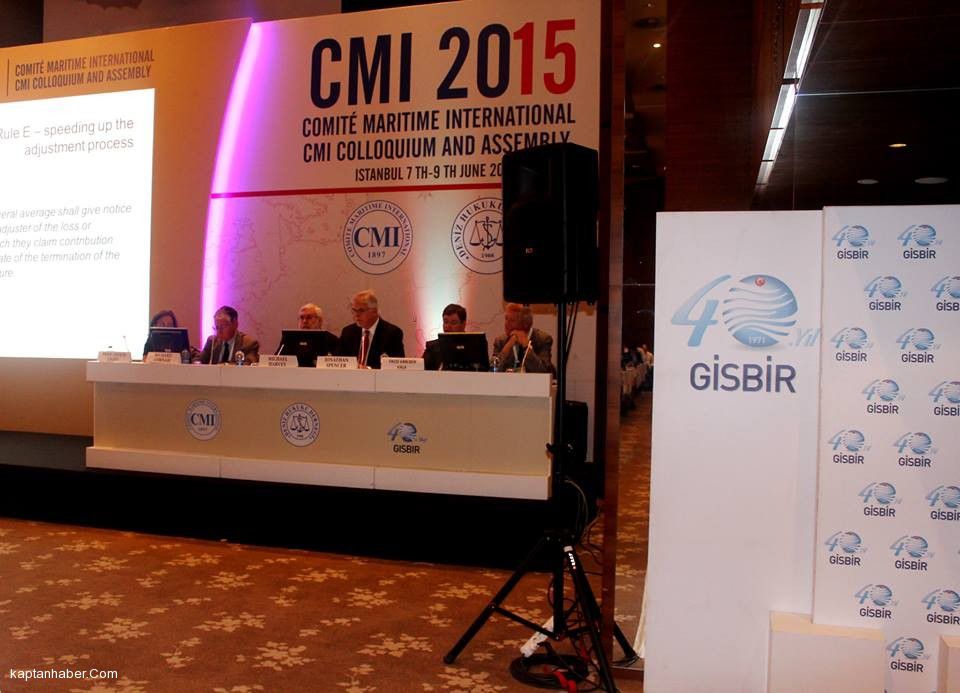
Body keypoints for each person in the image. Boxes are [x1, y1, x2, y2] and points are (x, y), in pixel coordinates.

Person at [337, 290, 404, 369]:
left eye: (361, 310)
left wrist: (368, 370)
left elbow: (396, 366)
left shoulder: (392, 333)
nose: (357, 315)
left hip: (377, 376)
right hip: (350, 376)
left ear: (374, 311)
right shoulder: (348, 332)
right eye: (354, 310)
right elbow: (339, 362)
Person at [492, 303, 553, 374]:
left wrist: (526, 346)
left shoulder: (543, 340)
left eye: (512, 320)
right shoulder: (500, 341)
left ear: (526, 324)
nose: (506, 324)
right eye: (506, 319)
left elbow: (543, 371)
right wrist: (507, 347)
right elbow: (493, 370)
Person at [422, 303, 467, 370]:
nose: (448, 326)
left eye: (453, 323)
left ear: (463, 324)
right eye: (445, 322)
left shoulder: (475, 345)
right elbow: (420, 370)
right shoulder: (432, 347)